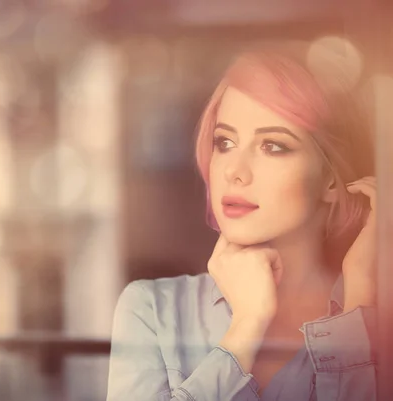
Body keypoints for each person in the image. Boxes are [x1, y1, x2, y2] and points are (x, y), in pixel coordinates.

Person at [106, 40, 377, 401]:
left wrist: (359, 303)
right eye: (225, 142)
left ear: (330, 179)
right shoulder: (153, 309)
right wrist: (246, 327)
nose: (234, 171)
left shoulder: (375, 313)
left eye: (273, 146)